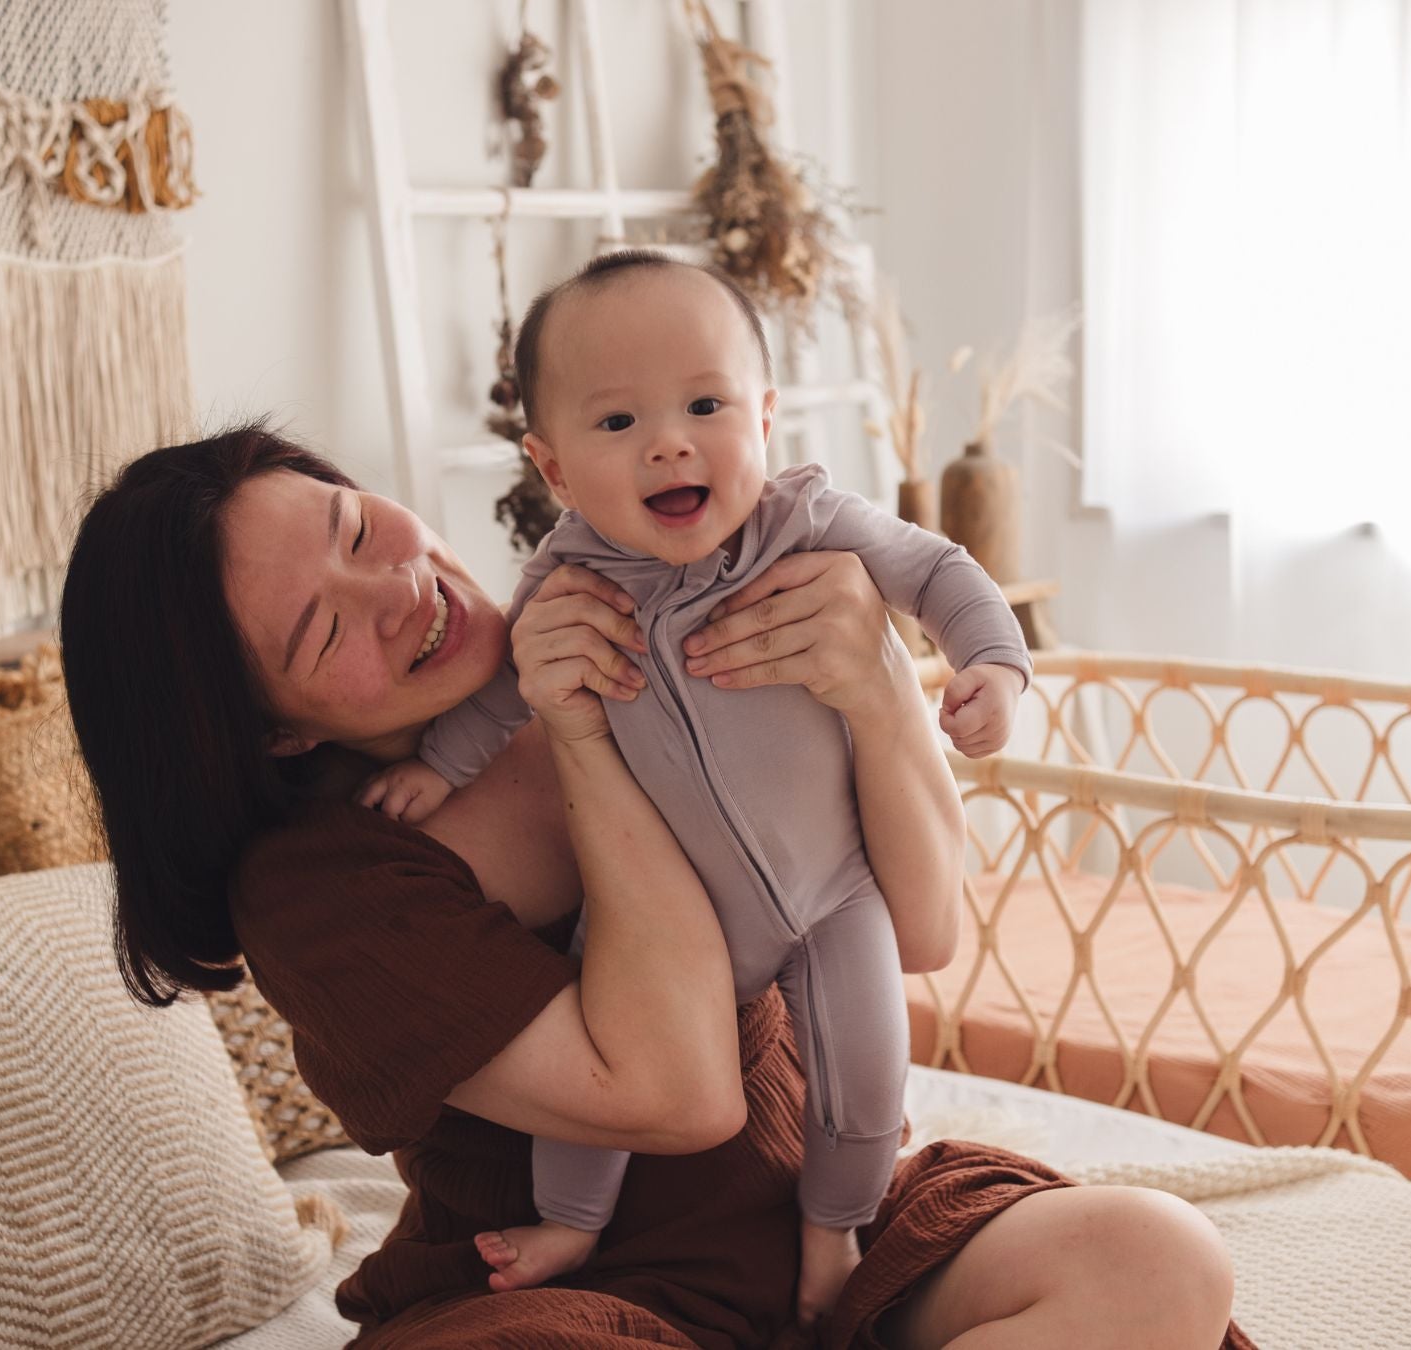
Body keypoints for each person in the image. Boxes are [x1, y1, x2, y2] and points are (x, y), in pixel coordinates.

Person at [59, 423, 1253, 1349]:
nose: (401, 589)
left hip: (822, 1240)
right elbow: (680, 1096)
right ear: (276, 734)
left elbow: (924, 929)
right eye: (327, 634)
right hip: (573, 1297)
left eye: (359, 527)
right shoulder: (326, 887)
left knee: (1157, 1259)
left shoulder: (646, 597)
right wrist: (580, 737)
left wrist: (880, 685)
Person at [356, 250, 1030, 1322]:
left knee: (866, 1075)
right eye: (617, 423)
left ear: (764, 415)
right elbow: (509, 691)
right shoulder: (568, 583)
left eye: (705, 404)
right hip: (676, 924)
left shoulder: (807, 525)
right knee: (603, 1053)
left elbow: (940, 569)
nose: (670, 440)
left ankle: (832, 1230)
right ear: (554, 469)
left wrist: (993, 663)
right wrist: (438, 772)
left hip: (834, 894)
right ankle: (571, 1223)